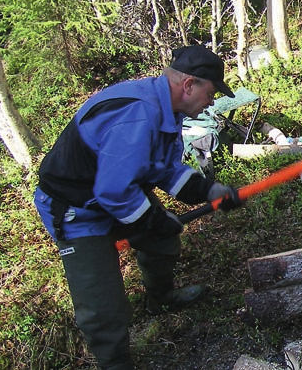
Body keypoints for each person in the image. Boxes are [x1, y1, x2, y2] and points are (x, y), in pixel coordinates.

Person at [33, 45, 242, 370]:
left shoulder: (167, 111)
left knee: (163, 243)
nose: (212, 101)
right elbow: (113, 192)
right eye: (210, 92)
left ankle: (160, 299)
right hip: (78, 212)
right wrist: (155, 219)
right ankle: (115, 363)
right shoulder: (139, 114)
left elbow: (163, 168)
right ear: (189, 85)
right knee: (104, 308)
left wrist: (208, 190)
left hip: (113, 194)